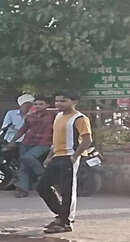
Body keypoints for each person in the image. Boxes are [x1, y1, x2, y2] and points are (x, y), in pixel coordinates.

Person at [37, 92, 92, 234]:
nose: (59, 104)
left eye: (63, 101)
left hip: (69, 157)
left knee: (67, 190)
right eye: (57, 101)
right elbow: (55, 141)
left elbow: (87, 140)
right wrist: (49, 156)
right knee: (42, 186)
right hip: (57, 156)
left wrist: (75, 156)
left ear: (74, 102)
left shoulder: (79, 118)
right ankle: (61, 215)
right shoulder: (58, 117)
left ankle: (65, 222)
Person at [12, 96, 56, 197]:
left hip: (44, 142)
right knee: (24, 166)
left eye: (41, 104)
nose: (38, 106)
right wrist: (12, 141)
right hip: (27, 142)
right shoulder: (30, 116)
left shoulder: (54, 116)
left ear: (47, 105)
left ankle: (42, 174)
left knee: (27, 157)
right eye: (36, 104)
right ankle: (22, 190)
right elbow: (22, 130)